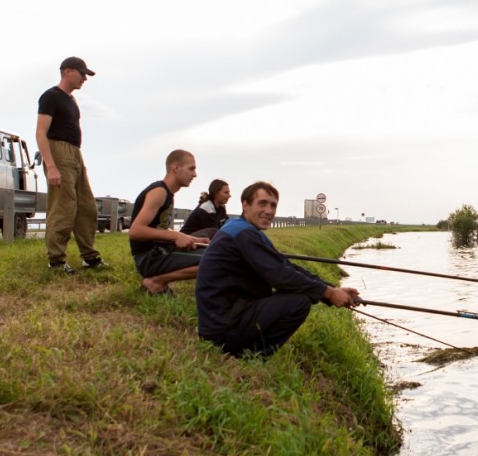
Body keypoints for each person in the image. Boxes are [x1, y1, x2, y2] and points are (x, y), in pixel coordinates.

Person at [196, 181, 361, 357]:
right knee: (298, 303)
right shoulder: (245, 234)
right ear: (245, 205)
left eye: (273, 205)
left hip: (226, 317)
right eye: (262, 203)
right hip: (222, 328)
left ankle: (247, 350)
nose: (269, 210)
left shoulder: (243, 229)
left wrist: (332, 289)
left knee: (298, 294)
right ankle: (252, 355)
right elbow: (281, 277)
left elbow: (285, 265)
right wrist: (327, 293)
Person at [36, 56, 104, 274]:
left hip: (75, 153)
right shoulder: (50, 96)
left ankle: (89, 256)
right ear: (67, 71)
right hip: (58, 151)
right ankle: (56, 260)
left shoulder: (71, 100)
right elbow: (40, 132)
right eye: (81, 73)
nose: (85, 78)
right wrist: (51, 166)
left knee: (87, 207)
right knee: (63, 208)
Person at [129, 150, 210, 296]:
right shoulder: (159, 191)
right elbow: (136, 231)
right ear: (176, 168)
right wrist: (175, 237)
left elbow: (161, 228)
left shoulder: (168, 193)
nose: (195, 174)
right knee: (216, 259)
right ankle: (156, 282)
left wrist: (193, 239)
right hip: (149, 258)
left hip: (159, 251)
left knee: (216, 251)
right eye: (191, 168)